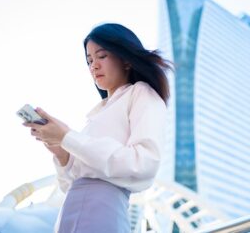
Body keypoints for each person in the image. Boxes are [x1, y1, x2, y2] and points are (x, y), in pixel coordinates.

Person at [23, 23, 173, 233]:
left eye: (101, 56)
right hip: (70, 213)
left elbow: (144, 162)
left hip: (101, 211)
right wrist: (62, 153)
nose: (93, 65)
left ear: (126, 59)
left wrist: (67, 137)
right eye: (89, 60)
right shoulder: (98, 113)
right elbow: (70, 185)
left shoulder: (141, 93)